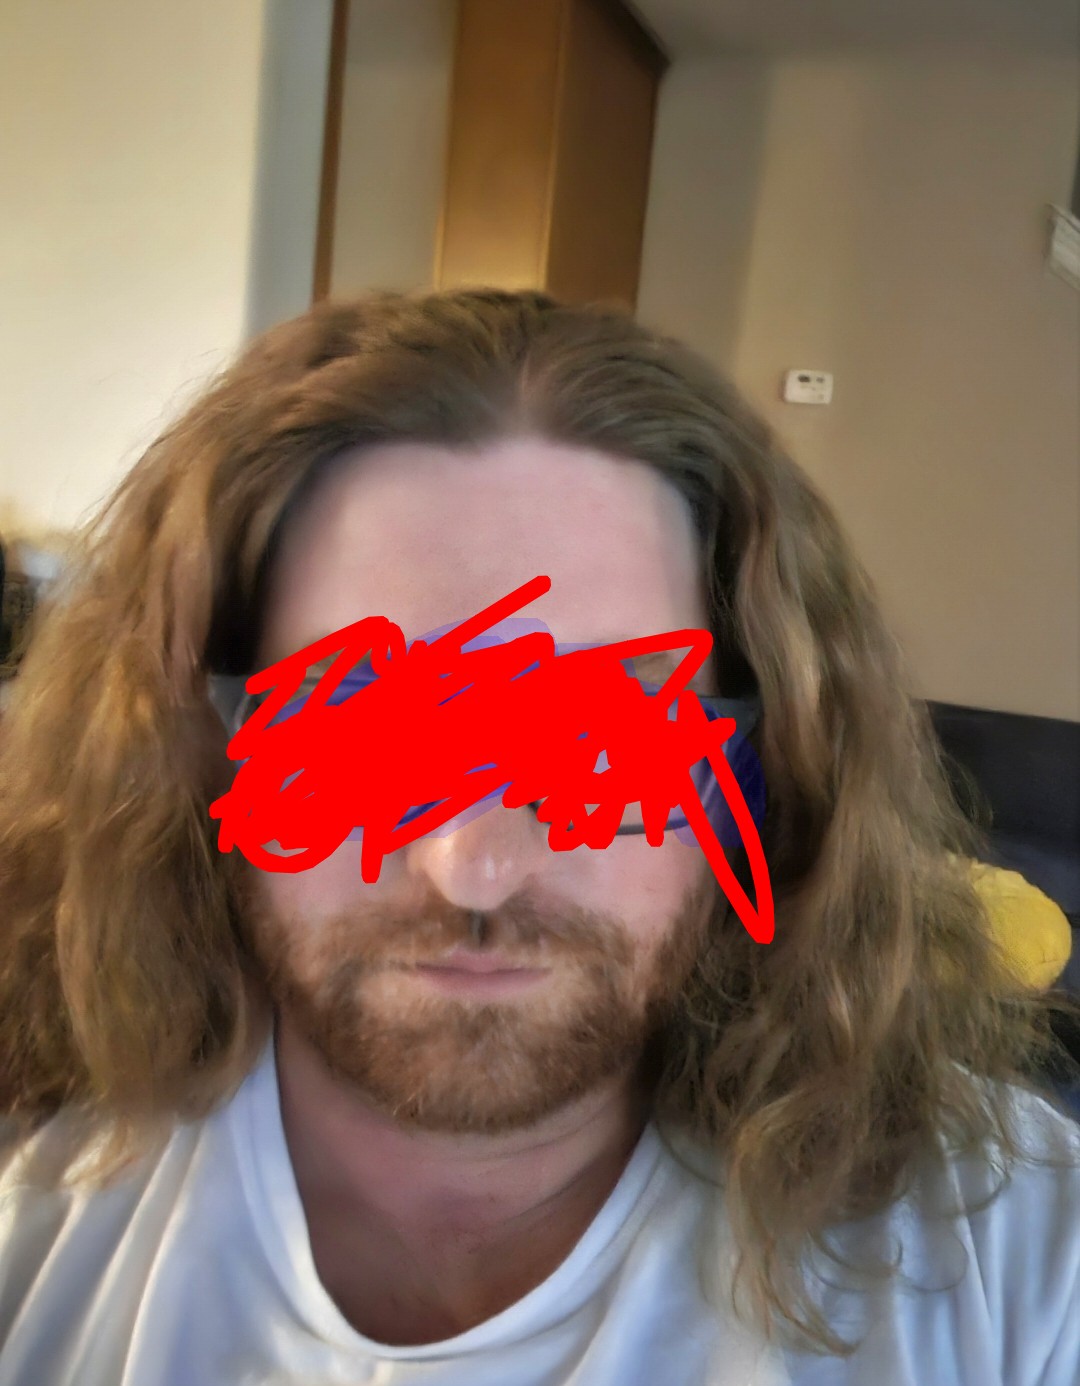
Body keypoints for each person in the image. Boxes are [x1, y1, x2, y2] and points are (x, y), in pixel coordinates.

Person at [0, 289, 1077, 1386]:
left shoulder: (1026, 1258)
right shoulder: (30, 1210)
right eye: (354, 727)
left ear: (772, 764)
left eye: (610, 740)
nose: (475, 867)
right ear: (196, 748)